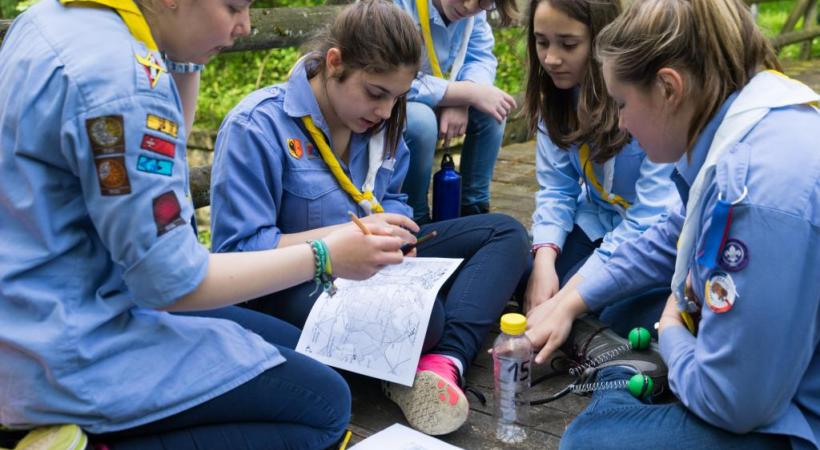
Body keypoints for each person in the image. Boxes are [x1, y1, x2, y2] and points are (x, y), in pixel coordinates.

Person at [0, 0, 409, 447]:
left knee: (293, 343)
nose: (244, 26)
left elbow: (161, 168)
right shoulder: (127, 85)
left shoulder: (49, 19)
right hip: (67, 345)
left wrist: (182, 57)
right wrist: (325, 255)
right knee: (328, 404)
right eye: (232, 6)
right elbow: (173, 283)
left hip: (30, 309)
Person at [209, 0, 530, 436]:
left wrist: (399, 229)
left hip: (374, 267)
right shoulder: (256, 126)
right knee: (426, 318)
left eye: (397, 98)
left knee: (505, 232)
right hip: (295, 283)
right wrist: (341, 242)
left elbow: (391, 196)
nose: (384, 112)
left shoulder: (381, 120)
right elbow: (237, 252)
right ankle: (408, 360)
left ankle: (441, 363)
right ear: (335, 62)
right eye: (376, 93)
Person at [526, 0, 820, 448]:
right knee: (618, 309)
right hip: (771, 372)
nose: (620, 121)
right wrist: (568, 302)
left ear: (668, 88)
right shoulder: (744, 127)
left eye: (623, 103)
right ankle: (631, 378)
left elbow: (735, 403)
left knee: (588, 441)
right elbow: (668, 237)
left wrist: (672, 331)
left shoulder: (753, 196)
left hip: (795, 417)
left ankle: (629, 381)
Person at [521, 0, 677, 336]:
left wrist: (567, 300)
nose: (550, 58)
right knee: (532, 282)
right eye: (541, 42)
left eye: (569, 44)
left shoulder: (643, 104)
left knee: (598, 308)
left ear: (602, 40)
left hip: (649, 236)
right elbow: (557, 189)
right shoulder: (556, 102)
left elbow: (646, 222)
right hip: (594, 220)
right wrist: (544, 260)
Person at [392, 0, 518, 222]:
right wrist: (460, 92)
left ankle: (473, 208)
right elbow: (389, 74)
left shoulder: (472, 15)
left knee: (492, 110)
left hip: (435, 93)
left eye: (483, 3)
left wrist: (465, 97)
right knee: (421, 123)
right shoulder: (397, 6)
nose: (469, 7)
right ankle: (415, 215)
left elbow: (480, 57)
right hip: (395, 100)